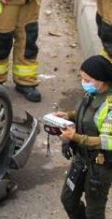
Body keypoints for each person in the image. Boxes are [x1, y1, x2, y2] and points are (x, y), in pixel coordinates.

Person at [55, 55, 112, 218]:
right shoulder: (91, 95)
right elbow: (86, 115)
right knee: (68, 199)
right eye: (82, 78)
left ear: (101, 80)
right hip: (81, 159)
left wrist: (76, 137)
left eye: (87, 79)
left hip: (99, 166)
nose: (84, 82)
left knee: (94, 211)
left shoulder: (110, 105)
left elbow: (108, 142)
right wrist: (68, 115)